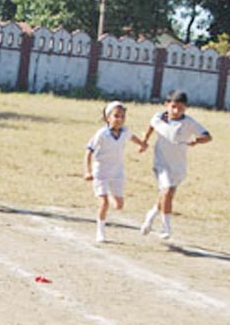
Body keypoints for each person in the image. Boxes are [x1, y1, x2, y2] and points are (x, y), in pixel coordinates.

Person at [139, 89, 212, 239]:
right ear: (166, 104)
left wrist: (197, 141)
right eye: (173, 107)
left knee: (167, 195)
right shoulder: (158, 118)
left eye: (181, 108)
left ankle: (151, 215)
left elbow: (208, 136)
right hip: (161, 163)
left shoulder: (188, 123)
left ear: (186, 108)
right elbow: (151, 126)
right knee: (166, 192)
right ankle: (166, 227)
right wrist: (144, 141)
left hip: (178, 165)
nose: (176, 111)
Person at [83, 101, 147, 242]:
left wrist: (142, 144)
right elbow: (89, 151)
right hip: (101, 171)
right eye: (116, 116)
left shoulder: (125, 131)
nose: (120, 119)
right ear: (108, 117)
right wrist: (88, 171)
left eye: (122, 116)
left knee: (119, 205)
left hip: (117, 171)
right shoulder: (101, 134)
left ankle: (109, 194)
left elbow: (132, 137)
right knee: (104, 202)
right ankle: (100, 231)